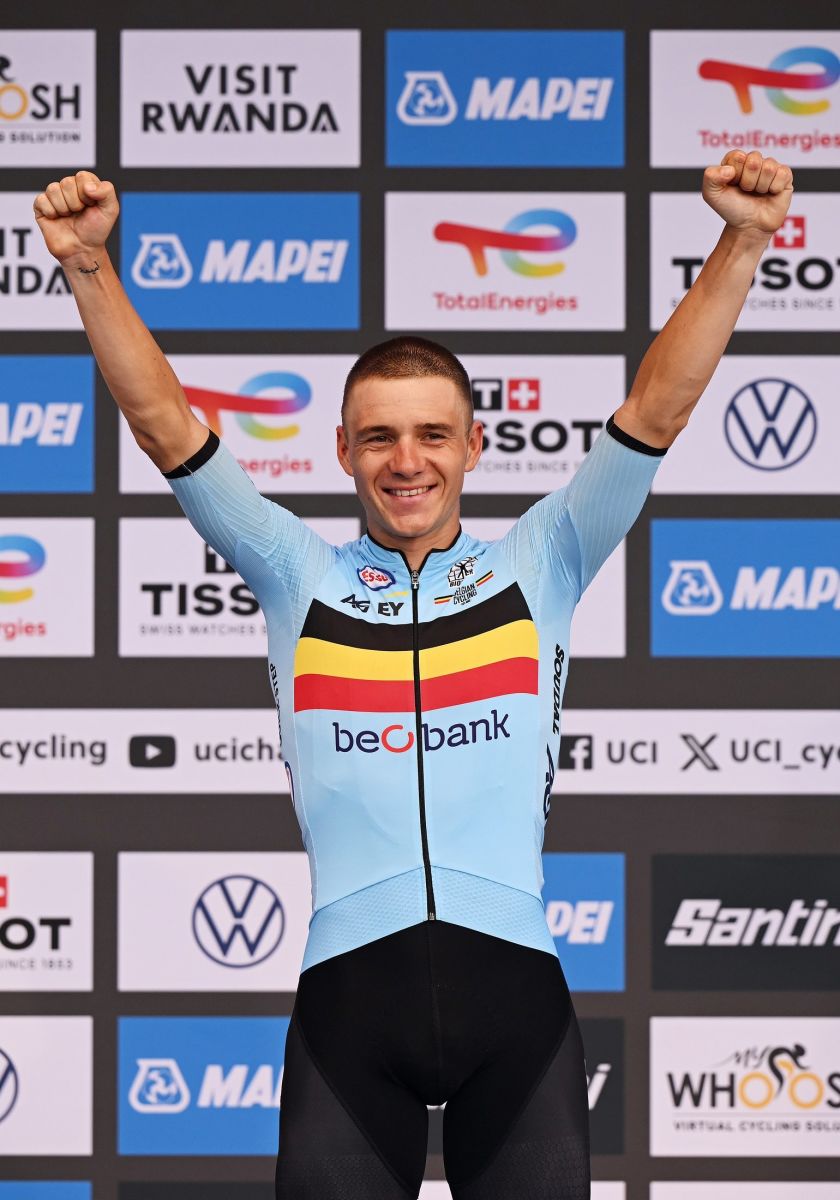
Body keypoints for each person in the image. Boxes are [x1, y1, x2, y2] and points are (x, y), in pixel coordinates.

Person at [34, 150, 793, 1199]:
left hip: (515, 1005)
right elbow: (166, 423)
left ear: (475, 446)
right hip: (351, 1006)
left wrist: (744, 239)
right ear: (342, 449)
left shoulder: (545, 558)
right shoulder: (294, 573)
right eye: (380, 437)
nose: (407, 460)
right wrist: (87, 265)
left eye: (433, 434)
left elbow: (657, 409)